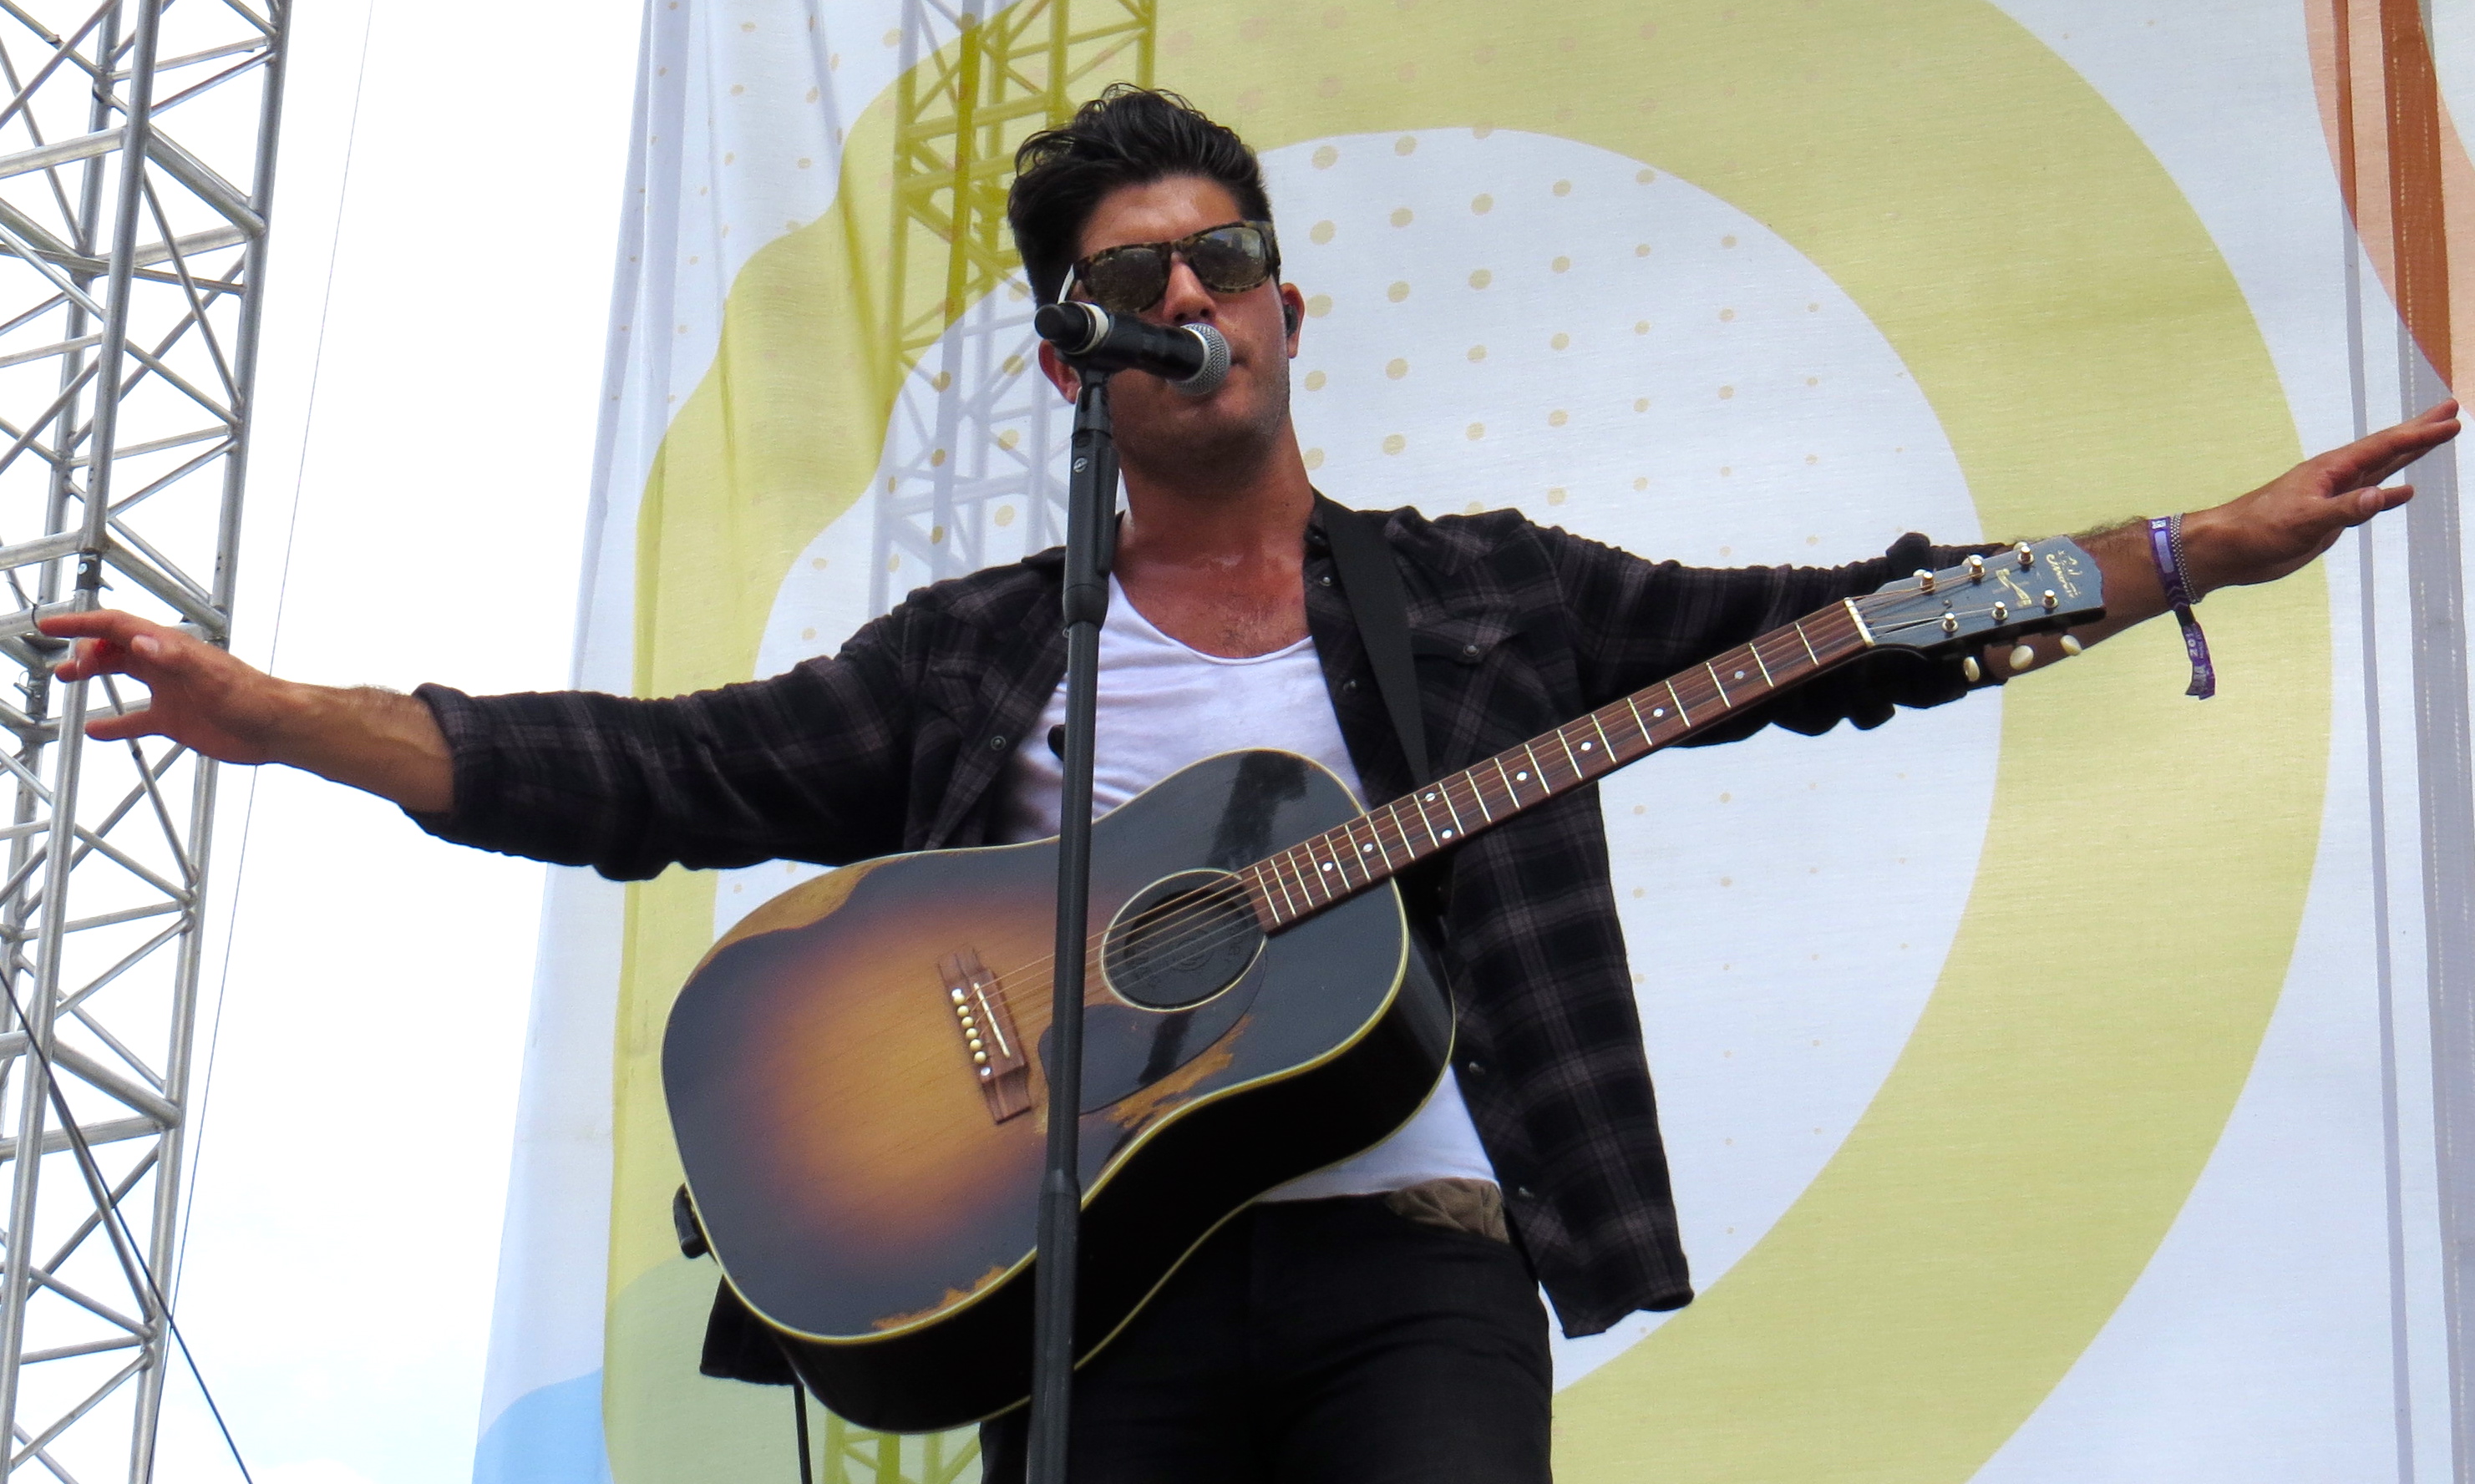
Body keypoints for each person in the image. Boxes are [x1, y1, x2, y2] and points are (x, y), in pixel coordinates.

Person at [38, 87, 2460, 1483]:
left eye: (1227, 259)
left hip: (1419, 1281)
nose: (1190, 300)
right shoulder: (987, 653)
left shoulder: (1492, 606)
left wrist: (2174, 550)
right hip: (1080, 1297)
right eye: (1134, 282)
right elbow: (662, 768)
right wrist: (292, 714)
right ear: (1075, 358)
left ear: (1290, 303)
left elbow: (1846, 624)